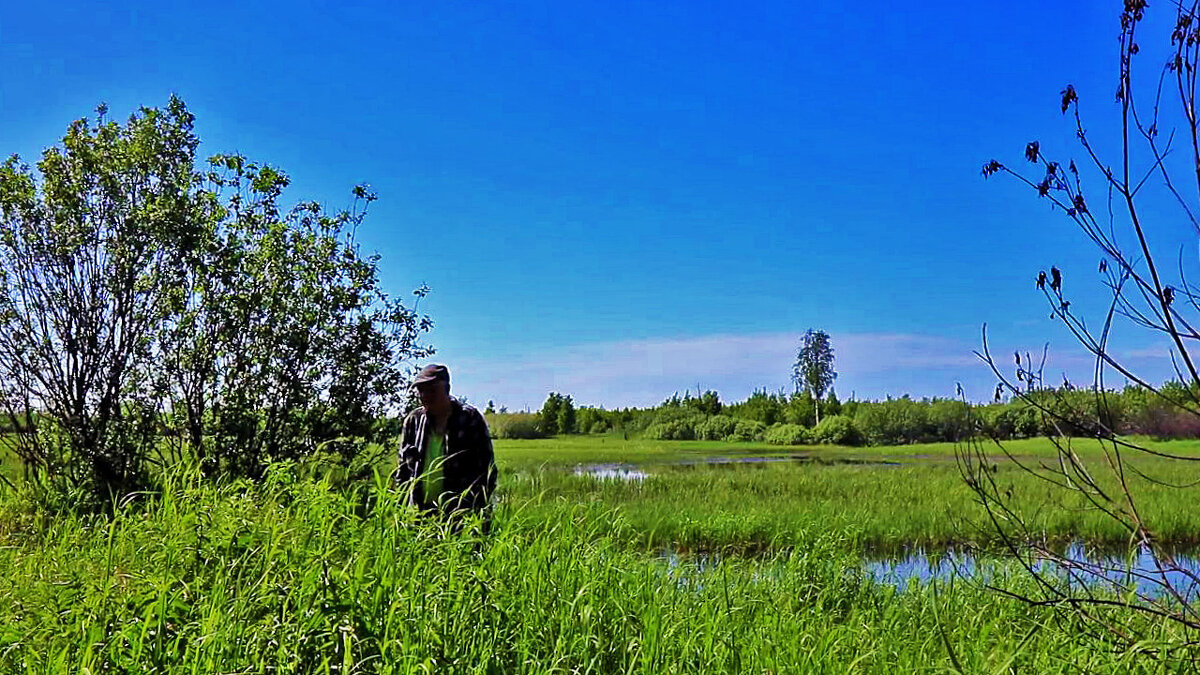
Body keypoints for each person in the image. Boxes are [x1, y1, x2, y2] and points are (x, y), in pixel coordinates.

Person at [396, 364, 497, 524]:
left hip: (461, 515)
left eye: (432, 390)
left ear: (447, 389)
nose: (425, 395)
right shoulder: (413, 421)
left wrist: (477, 513)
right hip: (419, 515)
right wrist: (400, 510)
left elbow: (487, 471)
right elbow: (402, 472)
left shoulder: (469, 418)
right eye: (421, 391)